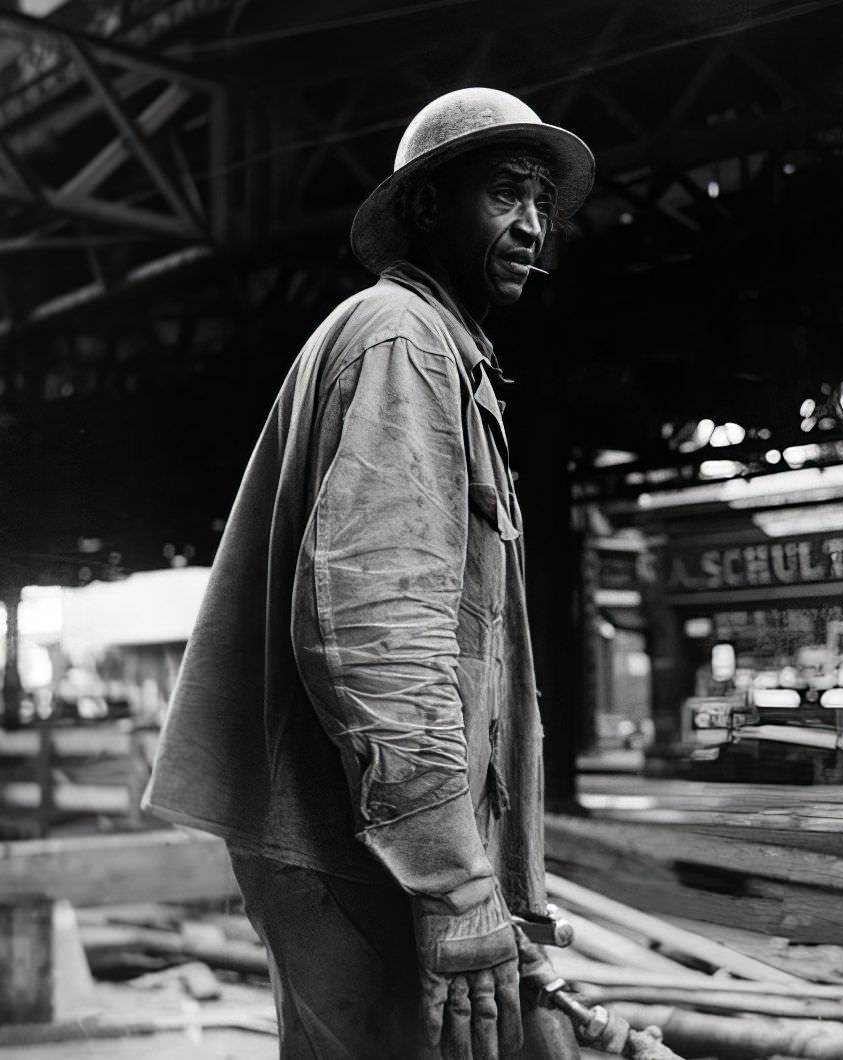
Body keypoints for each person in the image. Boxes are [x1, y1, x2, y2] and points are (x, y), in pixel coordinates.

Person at [142, 88, 594, 1059]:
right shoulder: (404, 344)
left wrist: (500, 899)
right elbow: (377, 628)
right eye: (507, 192)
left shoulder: (434, 351)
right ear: (427, 206)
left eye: (545, 204)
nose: (532, 226)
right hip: (361, 852)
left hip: (356, 844)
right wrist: (456, 887)